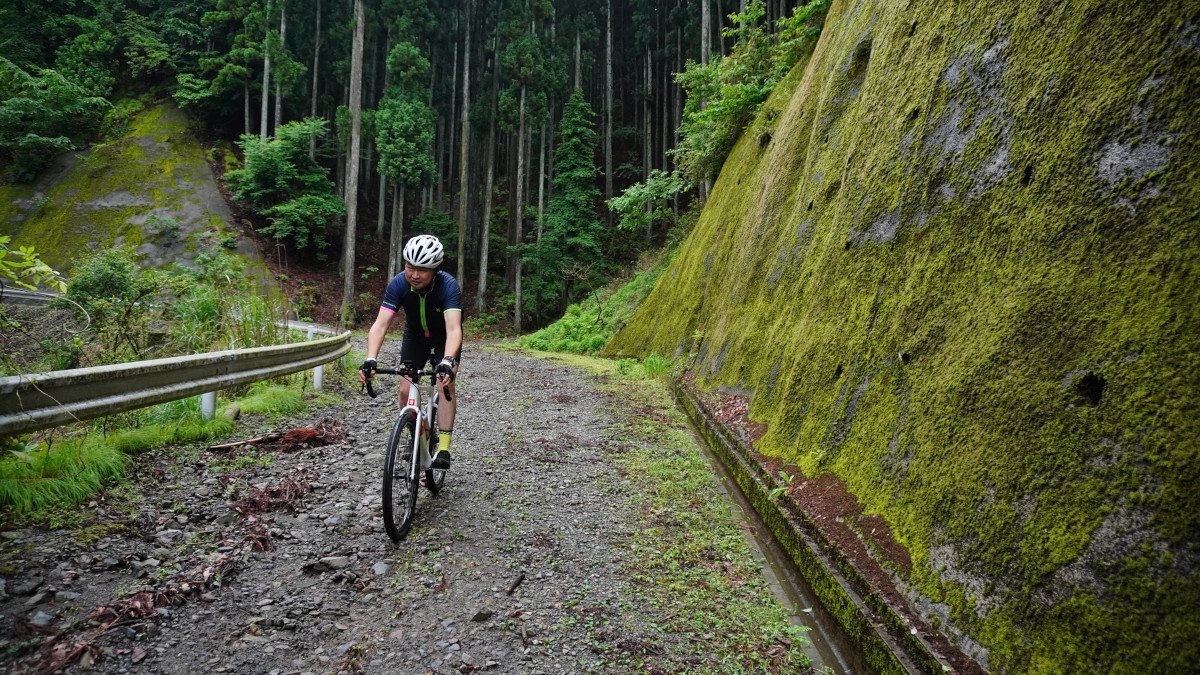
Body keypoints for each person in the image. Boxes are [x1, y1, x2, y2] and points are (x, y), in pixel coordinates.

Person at [359, 234, 462, 469]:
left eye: (422, 270)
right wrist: (370, 358)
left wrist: (447, 360)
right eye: (409, 267)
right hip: (415, 337)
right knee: (406, 389)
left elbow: (454, 329)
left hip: (444, 338)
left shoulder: (448, 286)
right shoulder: (399, 284)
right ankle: (415, 431)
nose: (414, 275)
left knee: (444, 382)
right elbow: (380, 324)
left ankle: (443, 447)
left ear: (435, 269)